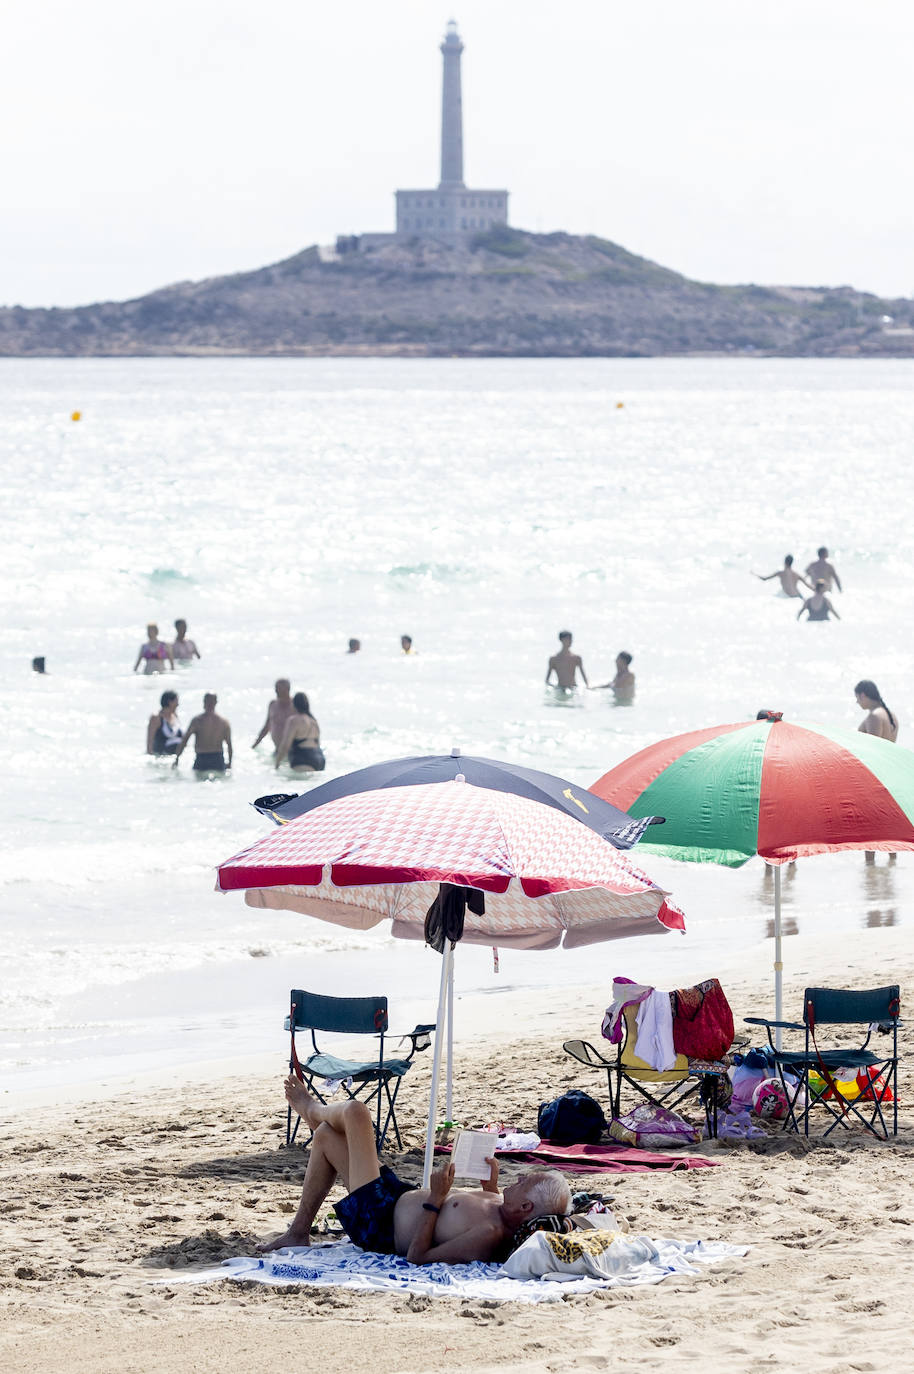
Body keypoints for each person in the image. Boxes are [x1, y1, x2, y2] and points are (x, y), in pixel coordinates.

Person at [257, 1078, 571, 1265]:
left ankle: (311, 1110)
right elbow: (473, 1210)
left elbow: (418, 1256)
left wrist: (436, 1198)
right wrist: (488, 1187)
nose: (519, 1177)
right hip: (395, 1197)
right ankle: (298, 1232)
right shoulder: (502, 1207)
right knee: (326, 1136)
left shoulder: (489, 1234)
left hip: (380, 1224)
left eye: (526, 1181)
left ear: (525, 1207)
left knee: (356, 1112)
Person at [856, 681, 898, 864]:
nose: (857, 702)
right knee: (889, 827)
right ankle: (892, 868)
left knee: (870, 829)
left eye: (857, 698)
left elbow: (872, 751)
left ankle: (870, 870)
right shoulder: (891, 715)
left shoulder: (874, 716)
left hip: (875, 778)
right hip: (890, 776)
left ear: (863, 695)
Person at [173, 693, 232, 772]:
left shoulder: (197, 721)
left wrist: (177, 758)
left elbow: (185, 740)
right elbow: (229, 745)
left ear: (204, 702)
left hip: (201, 759)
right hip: (218, 760)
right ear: (216, 702)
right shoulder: (224, 722)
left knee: (198, 779)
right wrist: (230, 763)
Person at [275, 691, 325, 772]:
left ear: (294, 705)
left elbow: (285, 745)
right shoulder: (313, 721)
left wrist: (277, 763)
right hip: (319, 757)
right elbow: (318, 742)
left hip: (303, 758)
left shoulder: (293, 720)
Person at [252, 679, 295, 750]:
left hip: (293, 750)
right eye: (276, 688)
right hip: (278, 749)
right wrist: (255, 744)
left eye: (279, 688)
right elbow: (267, 726)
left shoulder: (295, 705)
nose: (276, 691)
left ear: (287, 689)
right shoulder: (273, 704)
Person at [147, 690, 183, 755]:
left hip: (176, 756)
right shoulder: (156, 718)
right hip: (162, 757)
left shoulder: (175, 716)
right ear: (169, 702)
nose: (178, 704)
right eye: (176, 701)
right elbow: (149, 743)